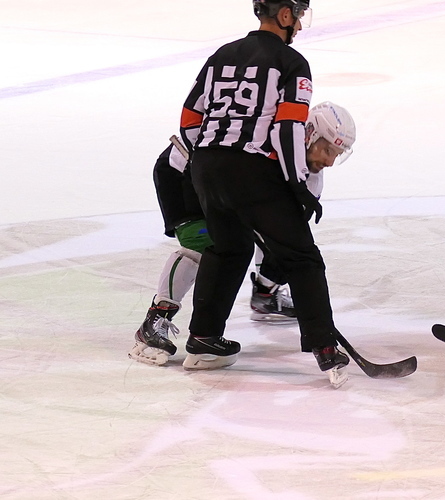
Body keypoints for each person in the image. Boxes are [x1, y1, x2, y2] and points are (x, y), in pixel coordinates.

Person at [178, 0, 353, 387]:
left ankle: (203, 340)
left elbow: (190, 118)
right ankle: (325, 348)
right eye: (300, 16)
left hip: (206, 167)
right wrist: (295, 183)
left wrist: (207, 159)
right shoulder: (292, 62)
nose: (301, 26)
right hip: (252, 170)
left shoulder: (220, 55)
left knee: (228, 249)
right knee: (302, 256)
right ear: (285, 15)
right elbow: (289, 125)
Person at [129, 102, 356, 367]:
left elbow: (286, 238)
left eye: (337, 154)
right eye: (327, 150)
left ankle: (266, 293)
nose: (329, 161)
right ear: (308, 134)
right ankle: (155, 321)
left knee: (283, 236)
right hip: (186, 175)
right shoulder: (263, 138)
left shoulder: (311, 177)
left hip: (229, 183)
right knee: (208, 244)